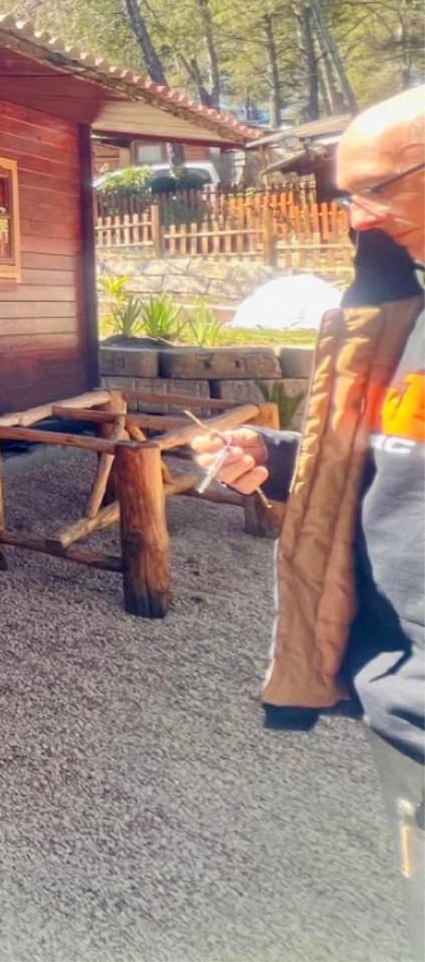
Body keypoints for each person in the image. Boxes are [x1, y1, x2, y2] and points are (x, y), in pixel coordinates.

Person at [190, 84, 424, 948]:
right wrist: (289, 460)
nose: (359, 218)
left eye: (378, 188)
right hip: (399, 711)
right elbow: (394, 457)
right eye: (347, 198)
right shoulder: (399, 319)